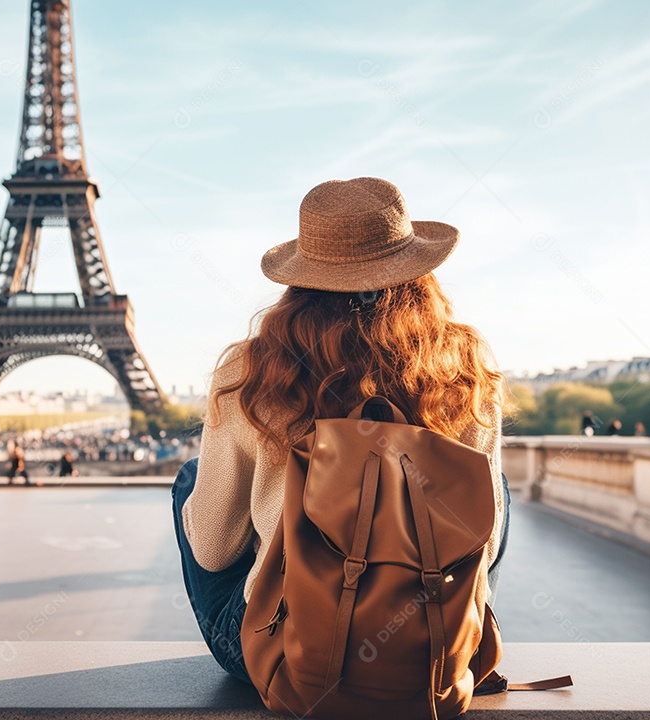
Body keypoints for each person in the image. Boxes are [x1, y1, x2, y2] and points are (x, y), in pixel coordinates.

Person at [171, 177, 510, 685]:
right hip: (429, 659)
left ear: (299, 278)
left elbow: (214, 551)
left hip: (290, 659)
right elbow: (483, 545)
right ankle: (463, 635)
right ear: (418, 270)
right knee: (491, 487)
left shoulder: (250, 372)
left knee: (191, 479)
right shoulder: (464, 365)